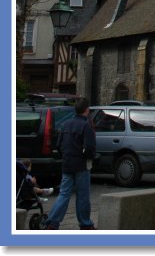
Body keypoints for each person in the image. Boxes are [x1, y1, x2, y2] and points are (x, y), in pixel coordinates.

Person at [42, 97, 97, 230]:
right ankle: (85, 223)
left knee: (64, 194)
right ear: (86, 110)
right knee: (82, 196)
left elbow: (59, 145)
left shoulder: (65, 124)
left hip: (67, 163)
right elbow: (90, 148)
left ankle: (52, 222)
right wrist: (89, 157)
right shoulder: (86, 126)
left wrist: (65, 156)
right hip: (81, 165)